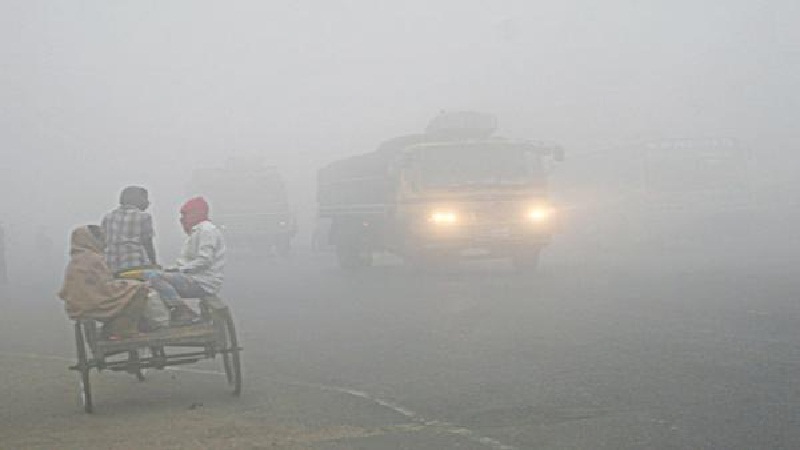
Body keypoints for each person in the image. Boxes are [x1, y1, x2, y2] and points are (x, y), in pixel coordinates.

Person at [58, 225, 147, 339]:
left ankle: (114, 327)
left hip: (77, 306)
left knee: (129, 288)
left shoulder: (75, 261)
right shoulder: (93, 258)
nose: (104, 243)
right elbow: (106, 287)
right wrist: (130, 284)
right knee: (139, 289)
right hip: (94, 303)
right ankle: (125, 329)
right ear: (90, 240)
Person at [147, 197, 226, 324]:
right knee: (152, 276)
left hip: (202, 282)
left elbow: (204, 260)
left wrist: (179, 270)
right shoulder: (197, 231)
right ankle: (175, 312)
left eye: (185, 214)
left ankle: (182, 311)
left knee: (154, 277)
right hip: (195, 278)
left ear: (196, 213)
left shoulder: (206, 231)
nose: (182, 219)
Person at [102, 186, 157, 274]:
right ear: (136, 200)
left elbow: (103, 243)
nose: (148, 203)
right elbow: (147, 244)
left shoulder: (108, 217)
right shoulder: (144, 216)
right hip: (134, 265)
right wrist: (154, 264)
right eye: (145, 199)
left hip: (110, 265)